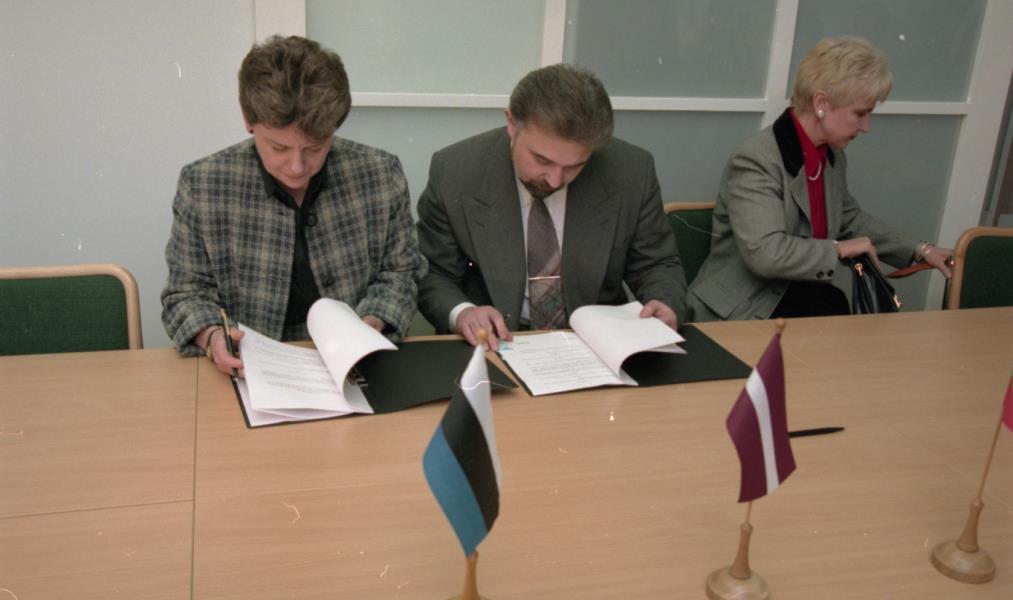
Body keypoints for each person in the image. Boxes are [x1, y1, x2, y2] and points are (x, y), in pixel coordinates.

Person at [161, 36, 425, 374]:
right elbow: (185, 293)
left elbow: (402, 272)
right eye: (279, 148)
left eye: (315, 148)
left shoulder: (380, 173)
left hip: (358, 365)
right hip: (249, 368)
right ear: (248, 120)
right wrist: (213, 336)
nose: (297, 167)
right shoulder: (203, 184)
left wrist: (372, 321)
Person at [416, 64, 687, 350]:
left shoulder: (631, 170)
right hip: (495, 343)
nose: (555, 180)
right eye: (542, 160)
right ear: (512, 123)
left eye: (575, 166)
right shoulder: (456, 172)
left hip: (597, 344)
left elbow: (656, 263)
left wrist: (664, 302)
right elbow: (432, 272)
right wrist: (463, 312)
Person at [687, 36, 953, 322]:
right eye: (860, 114)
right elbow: (765, 253)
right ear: (821, 102)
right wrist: (839, 249)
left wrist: (920, 250)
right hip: (741, 310)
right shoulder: (756, 158)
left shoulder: (831, 156)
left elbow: (849, 220)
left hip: (798, 301)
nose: (866, 126)